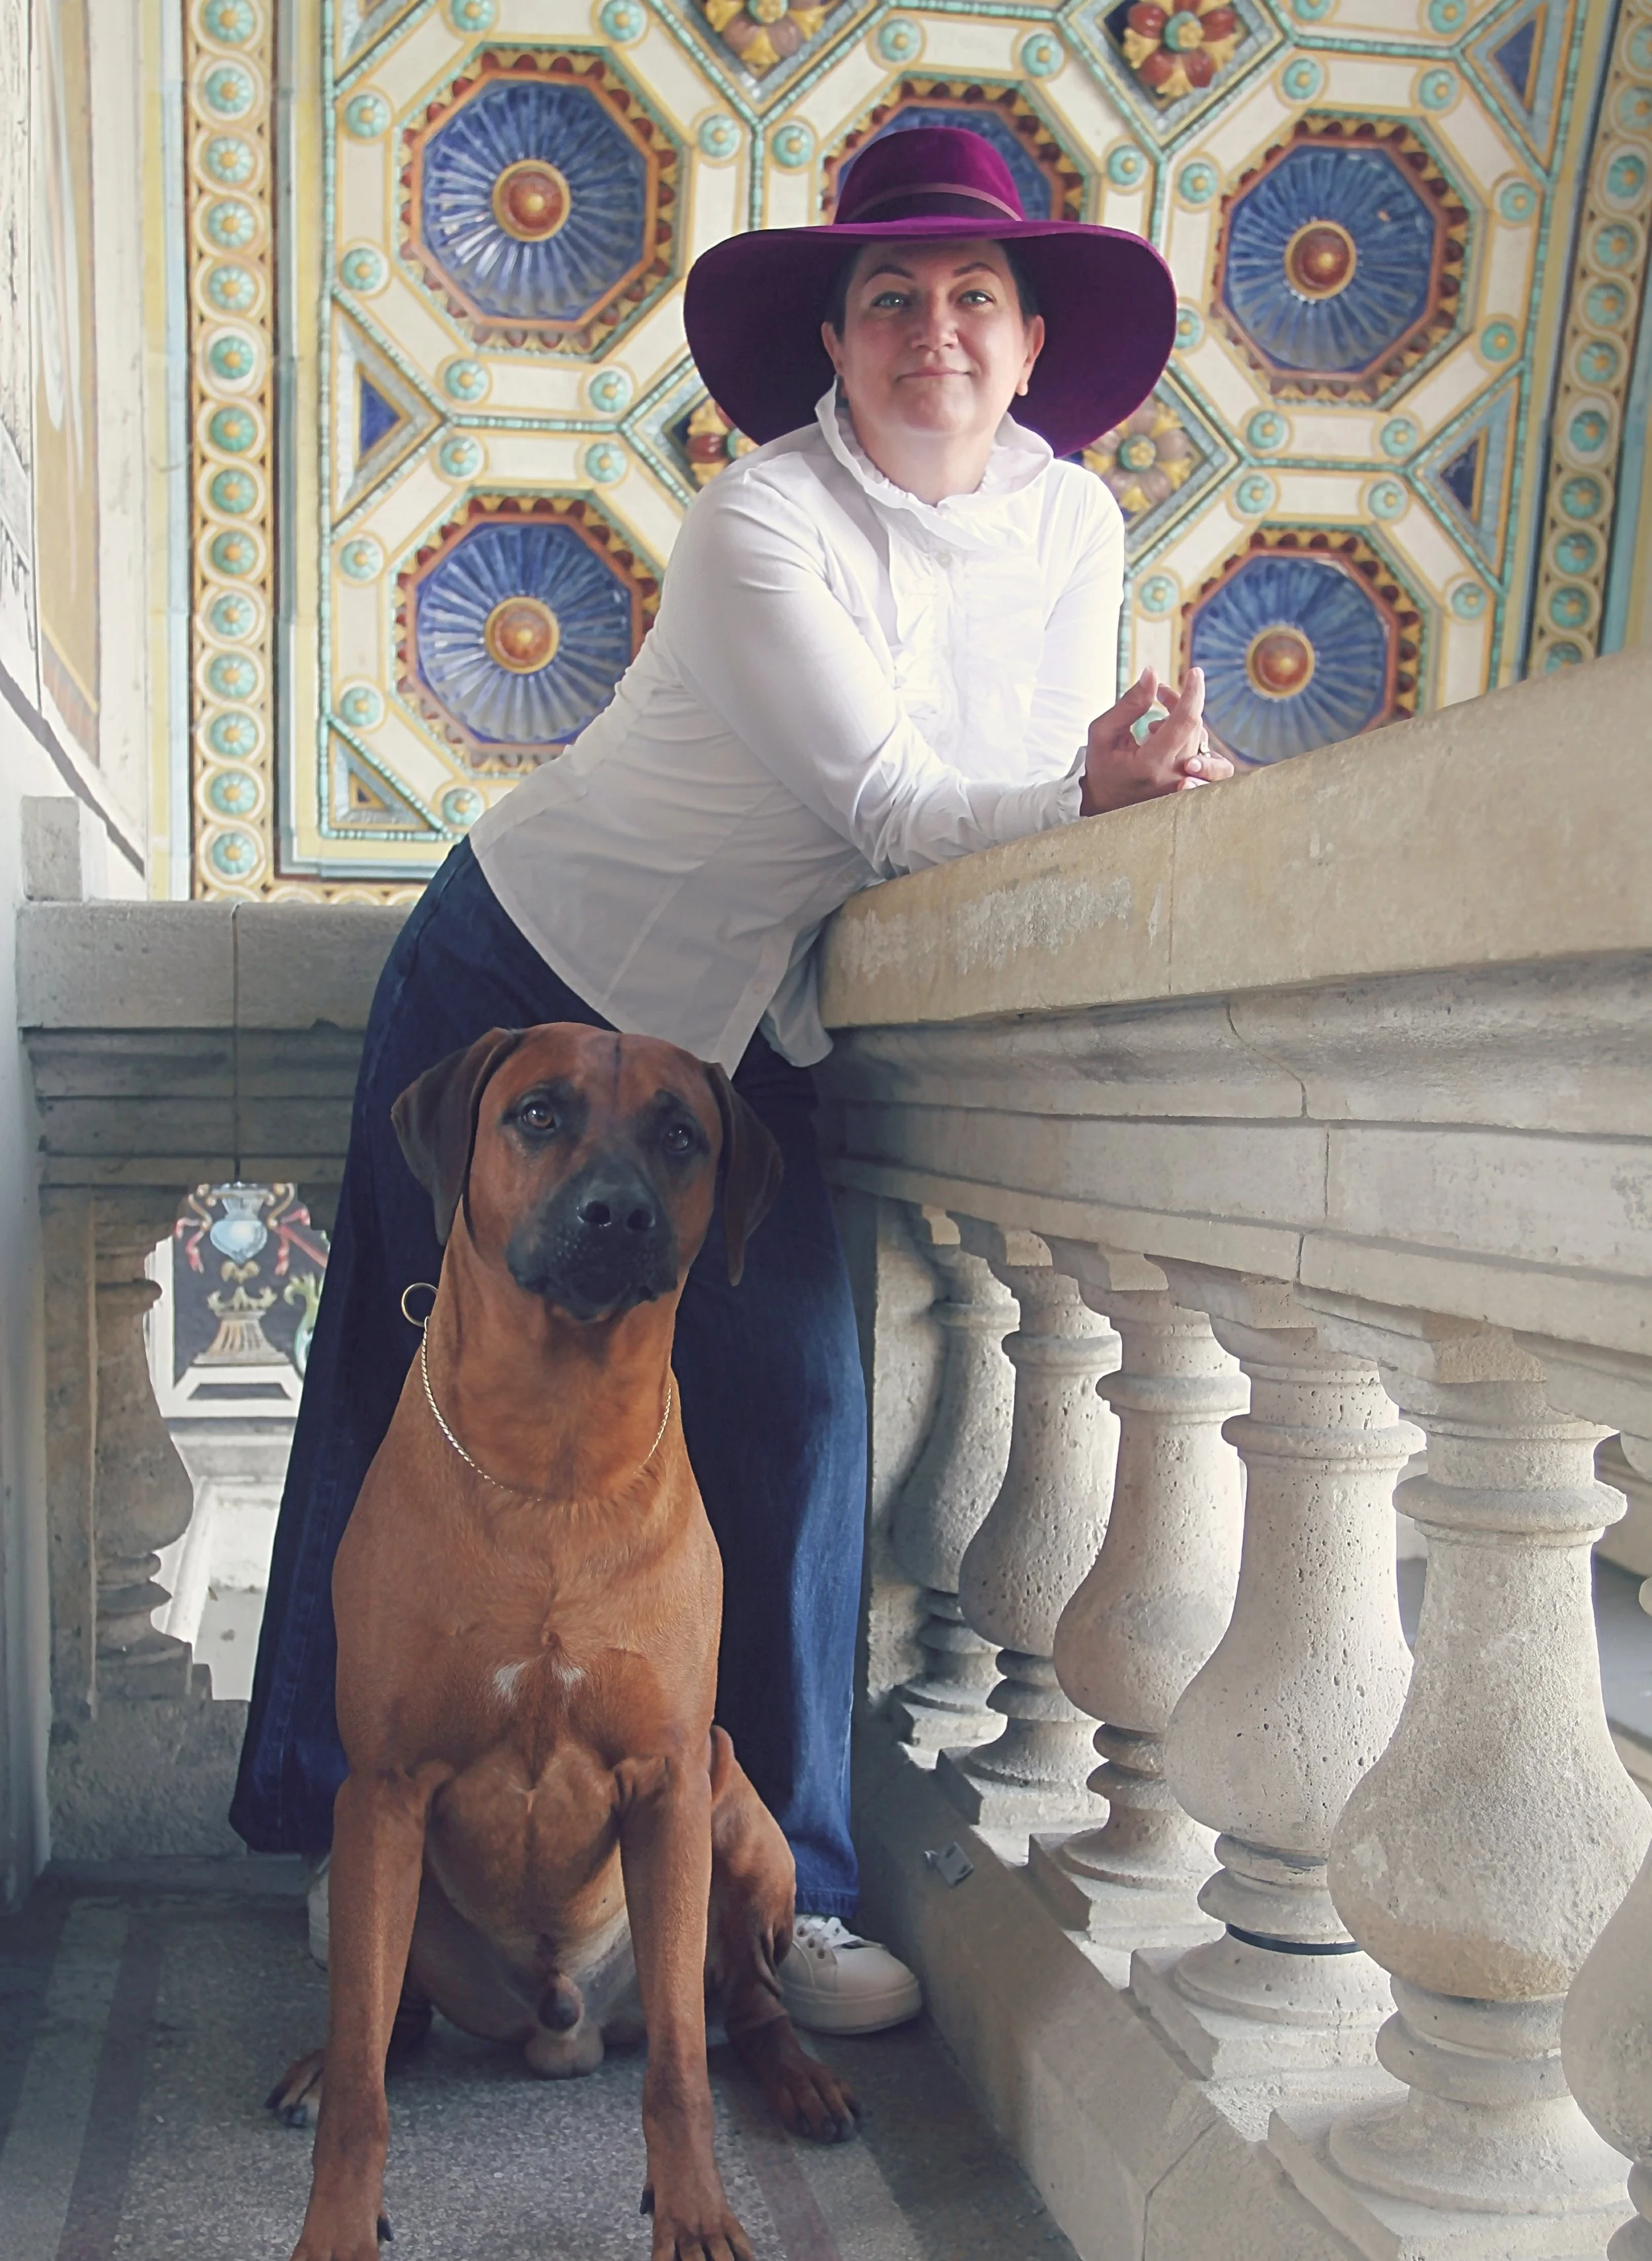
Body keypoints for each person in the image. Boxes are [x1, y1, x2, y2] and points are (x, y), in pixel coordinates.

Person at [230, 124, 1233, 2036]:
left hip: (744, 1031)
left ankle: (793, 1903)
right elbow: (887, 806)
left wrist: (1143, 792)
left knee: (794, 1412)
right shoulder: (757, 522)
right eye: (886, 300)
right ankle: (341, 1835)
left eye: (969, 299)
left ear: (1029, 344)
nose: (929, 331)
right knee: (406, 1385)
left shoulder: (1072, 525)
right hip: (521, 968)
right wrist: (1080, 788)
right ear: (834, 344)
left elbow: (1007, 817)